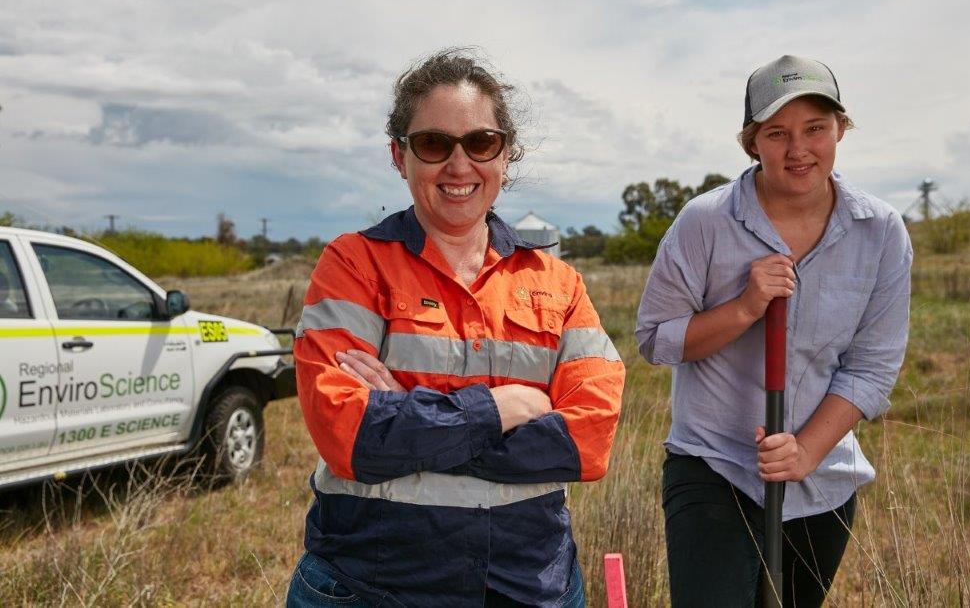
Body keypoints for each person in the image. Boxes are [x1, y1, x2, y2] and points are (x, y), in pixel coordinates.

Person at [287, 48, 625, 607]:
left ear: (506, 154)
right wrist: (501, 410)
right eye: (434, 144)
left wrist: (409, 411)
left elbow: (587, 443)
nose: (459, 164)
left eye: (481, 142)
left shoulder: (559, 283)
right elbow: (349, 435)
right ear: (400, 156)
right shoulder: (353, 265)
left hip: (529, 585)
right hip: (372, 586)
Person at [636, 55, 912, 607]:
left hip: (820, 476)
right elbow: (656, 339)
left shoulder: (880, 231)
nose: (798, 149)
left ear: (840, 130)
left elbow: (873, 367)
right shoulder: (704, 222)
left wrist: (806, 451)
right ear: (752, 143)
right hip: (714, 465)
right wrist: (742, 309)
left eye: (816, 129)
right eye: (777, 133)